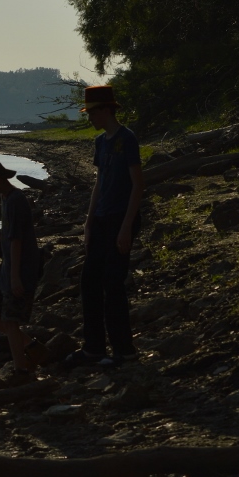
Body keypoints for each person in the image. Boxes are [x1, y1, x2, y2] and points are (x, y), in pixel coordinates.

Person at [67, 85, 145, 367]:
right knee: (89, 282)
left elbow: (137, 185)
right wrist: (88, 223)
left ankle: (124, 350)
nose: (89, 118)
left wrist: (126, 227)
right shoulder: (100, 142)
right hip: (101, 219)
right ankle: (94, 348)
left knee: (113, 283)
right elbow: (99, 184)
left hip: (121, 218)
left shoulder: (127, 139)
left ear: (106, 110)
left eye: (92, 113)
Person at [0, 159, 46, 382]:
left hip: (20, 268)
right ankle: (32, 347)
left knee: (11, 320)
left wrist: (15, 277)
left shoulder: (16, 200)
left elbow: (17, 240)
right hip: (7, 268)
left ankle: (21, 370)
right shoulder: (4, 198)